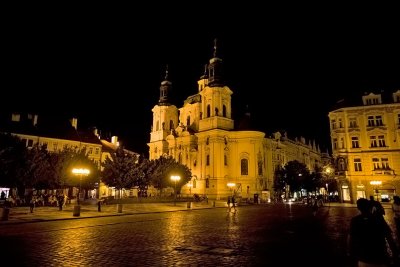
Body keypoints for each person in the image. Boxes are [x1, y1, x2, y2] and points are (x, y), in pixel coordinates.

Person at [348, 198, 399, 266]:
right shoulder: (379, 219)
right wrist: (395, 254)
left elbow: (350, 238)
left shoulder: (355, 221)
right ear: (370, 206)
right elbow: (389, 238)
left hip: (363, 258)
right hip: (380, 257)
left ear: (358, 208)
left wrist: (350, 253)